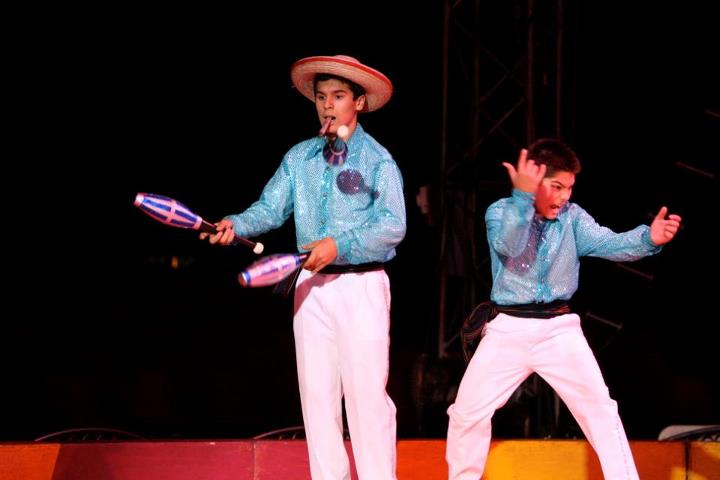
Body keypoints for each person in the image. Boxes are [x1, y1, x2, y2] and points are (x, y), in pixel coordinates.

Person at [202, 55, 406, 480]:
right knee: (317, 399)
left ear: (359, 102)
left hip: (361, 287)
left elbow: (393, 226)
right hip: (310, 287)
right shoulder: (300, 158)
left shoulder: (378, 161)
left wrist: (340, 245)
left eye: (338, 96)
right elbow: (270, 208)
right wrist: (235, 225)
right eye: (321, 97)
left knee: (366, 399)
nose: (328, 105)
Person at [446, 138, 682, 480]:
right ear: (535, 181)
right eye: (557, 187)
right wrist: (522, 198)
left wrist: (648, 239)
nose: (564, 197)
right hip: (509, 327)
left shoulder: (573, 217)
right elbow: (509, 245)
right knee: (467, 413)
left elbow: (609, 243)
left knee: (601, 411)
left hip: (559, 330)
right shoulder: (501, 211)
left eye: (569, 187)